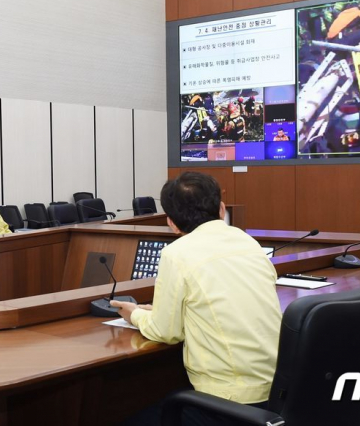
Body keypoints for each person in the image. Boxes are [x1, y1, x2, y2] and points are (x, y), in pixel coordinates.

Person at [111, 172, 281, 413]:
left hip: (229, 400)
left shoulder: (177, 253)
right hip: (279, 390)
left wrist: (135, 314)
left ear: (171, 222)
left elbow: (165, 332)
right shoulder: (248, 242)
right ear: (222, 209)